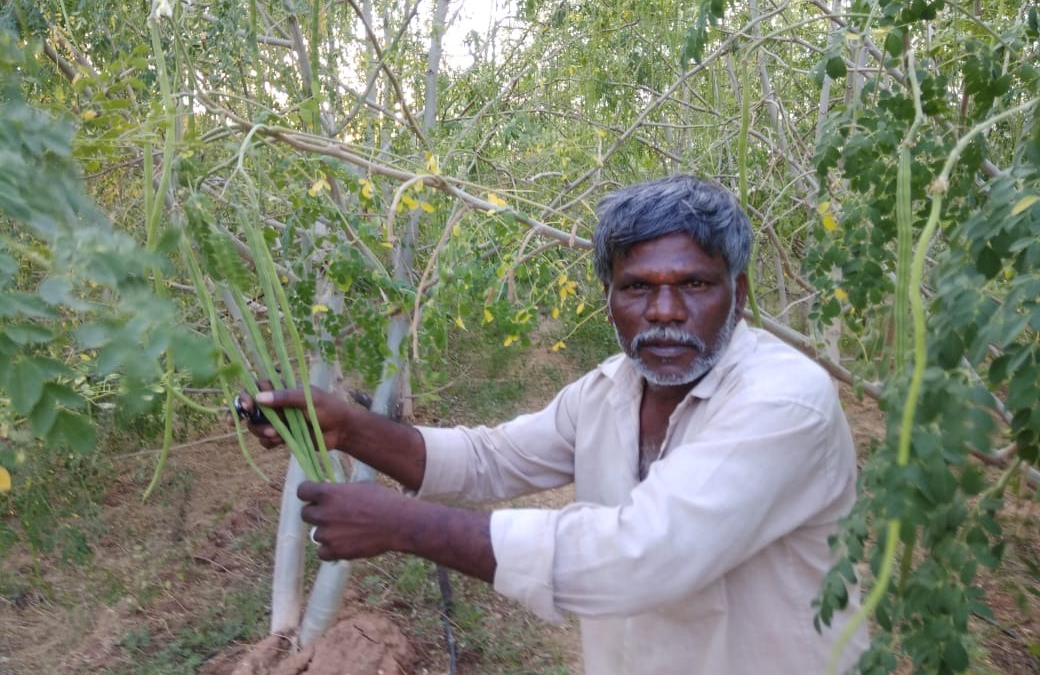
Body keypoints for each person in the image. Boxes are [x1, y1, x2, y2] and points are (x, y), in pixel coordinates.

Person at [238, 174, 869, 674]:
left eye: (695, 284)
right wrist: (348, 428)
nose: (666, 312)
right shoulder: (610, 389)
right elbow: (489, 459)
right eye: (637, 287)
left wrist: (404, 524)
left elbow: (641, 556)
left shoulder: (784, 403)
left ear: (741, 291)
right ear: (609, 297)